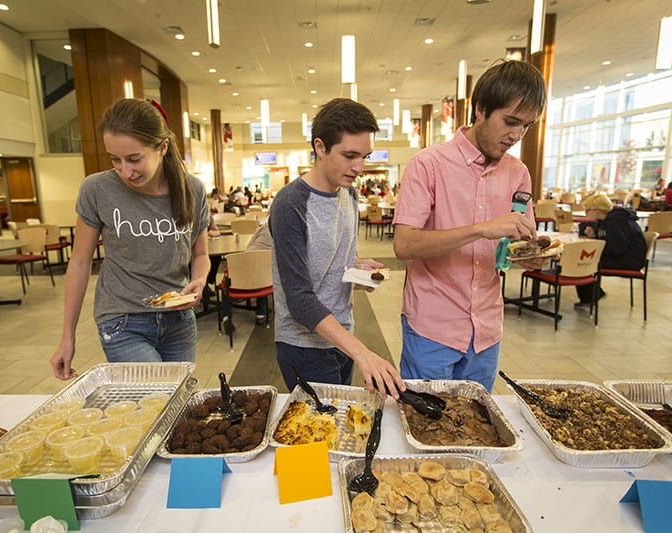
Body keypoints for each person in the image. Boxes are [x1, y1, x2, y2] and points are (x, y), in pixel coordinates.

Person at [392, 60, 548, 392]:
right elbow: (404, 245)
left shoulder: (517, 173)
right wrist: (480, 229)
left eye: (526, 126)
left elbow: (516, 246)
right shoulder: (428, 164)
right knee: (425, 428)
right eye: (510, 121)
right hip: (432, 328)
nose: (516, 135)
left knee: (477, 428)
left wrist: (530, 256)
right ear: (480, 109)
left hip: (487, 331)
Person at [50, 98, 210, 380]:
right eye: (115, 159)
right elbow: (79, 262)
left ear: (162, 147)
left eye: (134, 159)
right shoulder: (96, 189)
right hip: (122, 320)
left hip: (179, 320)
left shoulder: (192, 190)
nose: (125, 171)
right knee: (156, 396)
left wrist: (199, 281)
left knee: (179, 400)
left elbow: (200, 255)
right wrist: (67, 337)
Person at [269, 98, 405, 399]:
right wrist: (364, 353)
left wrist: (356, 269)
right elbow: (300, 299)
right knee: (319, 434)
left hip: (342, 335)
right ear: (320, 147)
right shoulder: (291, 204)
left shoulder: (349, 194)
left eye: (365, 157)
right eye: (349, 155)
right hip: (304, 347)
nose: (360, 167)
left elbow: (330, 262)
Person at [574, 193, 647, 307]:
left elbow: (617, 248)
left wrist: (596, 250)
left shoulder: (616, 222)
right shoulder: (608, 220)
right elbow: (608, 240)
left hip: (630, 260)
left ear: (597, 210)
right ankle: (591, 296)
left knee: (583, 263)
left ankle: (593, 295)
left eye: (588, 210)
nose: (586, 213)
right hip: (624, 256)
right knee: (584, 261)